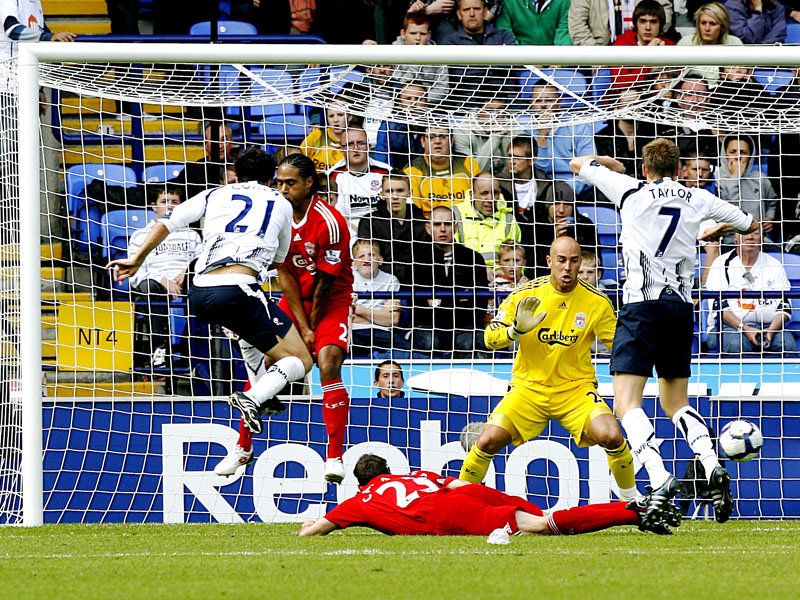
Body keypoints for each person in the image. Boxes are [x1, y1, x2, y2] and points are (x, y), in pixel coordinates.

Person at [570, 138, 759, 525]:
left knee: (626, 404)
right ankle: (709, 463)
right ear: (679, 168)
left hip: (641, 308)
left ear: (645, 168)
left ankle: (658, 476)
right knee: (676, 404)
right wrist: (710, 232)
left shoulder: (628, 189)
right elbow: (750, 222)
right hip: (680, 308)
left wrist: (613, 165)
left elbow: (578, 163)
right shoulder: (697, 197)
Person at [108, 147, 314, 452]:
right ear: (271, 178)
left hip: (199, 291)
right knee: (301, 359)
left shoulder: (213, 194)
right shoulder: (280, 203)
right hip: (237, 287)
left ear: (235, 174)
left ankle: (261, 390)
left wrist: (137, 258)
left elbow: (169, 221)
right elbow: (279, 259)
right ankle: (254, 397)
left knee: (247, 331)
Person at [460, 237, 639, 504]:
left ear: (581, 264)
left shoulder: (596, 302)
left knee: (612, 435)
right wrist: (515, 331)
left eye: (574, 261)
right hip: (528, 390)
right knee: (487, 440)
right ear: (549, 262)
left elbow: (620, 348)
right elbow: (489, 338)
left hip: (575, 391)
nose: (567, 267)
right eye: (561, 260)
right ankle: (457, 502)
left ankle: (632, 500)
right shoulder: (525, 295)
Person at [300, 453, 679, 537]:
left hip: (444, 516)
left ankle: (633, 512)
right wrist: (503, 502)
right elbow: (462, 485)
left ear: (362, 481)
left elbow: (313, 532)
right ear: (387, 470)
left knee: (541, 526)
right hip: (463, 496)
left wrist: (308, 524)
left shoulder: (358, 502)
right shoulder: (417, 474)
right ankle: (633, 511)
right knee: (536, 519)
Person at [273, 153, 355, 483]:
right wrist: (302, 326)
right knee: (268, 355)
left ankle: (334, 456)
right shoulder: (276, 216)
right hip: (294, 297)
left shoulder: (330, 221)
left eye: (289, 183)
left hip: (332, 298)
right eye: (278, 182)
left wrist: (312, 329)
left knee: (328, 360)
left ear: (309, 183)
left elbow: (326, 280)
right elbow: (285, 275)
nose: (282, 189)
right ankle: (242, 445)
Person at [127, 185, 202, 369]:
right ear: (154, 206)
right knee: (147, 285)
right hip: (156, 284)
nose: (170, 206)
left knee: (200, 280)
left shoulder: (191, 235)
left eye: (175, 202)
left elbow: (202, 262)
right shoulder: (140, 236)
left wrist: (187, 270)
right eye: (164, 202)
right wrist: (162, 280)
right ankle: (159, 348)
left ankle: (189, 349)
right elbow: (134, 273)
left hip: (187, 283)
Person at [410, 205, 490, 357]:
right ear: (428, 228)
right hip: (429, 325)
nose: (442, 229)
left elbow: (480, 303)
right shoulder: (417, 259)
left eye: (447, 224)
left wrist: (439, 301)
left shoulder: (473, 258)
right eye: (437, 224)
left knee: (471, 342)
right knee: (429, 342)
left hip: (466, 324)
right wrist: (458, 298)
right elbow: (418, 304)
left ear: (455, 227)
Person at [705, 227, 795, 354]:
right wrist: (746, 329)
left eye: (755, 233)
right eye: (744, 233)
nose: (750, 237)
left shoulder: (775, 265)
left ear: (761, 238)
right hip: (729, 327)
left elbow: (785, 307)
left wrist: (769, 333)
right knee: (738, 345)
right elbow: (719, 309)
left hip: (770, 327)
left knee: (787, 345)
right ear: (735, 238)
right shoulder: (720, 264)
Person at [356, 173, 427, 286]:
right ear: (382, 194)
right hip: (381, 285)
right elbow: (367, 258)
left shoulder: (422, 222)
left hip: (419, 284)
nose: (394, 196)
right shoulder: (369, 221)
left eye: (400, 190)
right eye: (389, 191)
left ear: (410, 193)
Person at [526, 83, 596, 196]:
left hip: (575, 187)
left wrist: (565, 189)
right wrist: (542, 136)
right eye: (538, 101)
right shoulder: (525, 131)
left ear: (559, 103)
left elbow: (589, 167)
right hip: (539, 189)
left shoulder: (578, 128)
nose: (543, 105)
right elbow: (536, 171)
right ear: (531, 105)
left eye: (548, 100)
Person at [444, 0, 517, 107]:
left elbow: (512, 65)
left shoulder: (504, 35)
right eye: (466, 9)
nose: (472, 14)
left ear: (485, 12)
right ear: (459, 14)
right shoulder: (452, 42)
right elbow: (461, 75)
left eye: (477, 9)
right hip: (468, 101)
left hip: (506, 97)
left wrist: (473, 64)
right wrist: (495, 63)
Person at [404, 125, 481, 218]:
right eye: (431, 137)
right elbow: (414, 212)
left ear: (451, 141)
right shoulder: (413, 170)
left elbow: (481, 199)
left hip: (468, 222)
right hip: (431, 227)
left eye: (443, 136)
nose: (437, 141)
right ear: (423, 141)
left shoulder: (468, 162)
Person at [328, 127, 392, 235]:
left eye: (361, 143)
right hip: (347, 235)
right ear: (341, 149)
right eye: (350, 144)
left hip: (384, 234)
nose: (355, 148)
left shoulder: (387, 172)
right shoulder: (332, 176)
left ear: (369, 146)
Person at [716, 134, 778, 244]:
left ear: (750, 155)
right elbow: (730, 211)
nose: (737, 157)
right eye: (733, 152)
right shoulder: (715, 178)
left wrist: (769, 217)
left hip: (759, 240)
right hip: (727, 241)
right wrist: (735, 177)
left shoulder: (760, 178)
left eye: (743, 152)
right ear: (725, 153)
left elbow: (772, 201)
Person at [522, 191, 598, 279]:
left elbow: (596, 263)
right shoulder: (534, 226)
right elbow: (531, 268)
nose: (561, 210)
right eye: (556, 204)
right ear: (548, 206)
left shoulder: (585, 225)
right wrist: (554, 239)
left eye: (567, 204)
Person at [453, 172, 521, 268]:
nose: (491, 199)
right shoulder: (455, 215)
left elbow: (517, 259)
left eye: (495, 193)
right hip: (464, 275)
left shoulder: (508, 219)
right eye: (484, 193)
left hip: (500, 278)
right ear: (472, 194)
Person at [350, 239, 405, 358]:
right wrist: (379, 315)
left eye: (371, 255)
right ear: (354, 262)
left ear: (380, 260)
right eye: (362, 255)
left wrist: (358, 310)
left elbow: (393, 320)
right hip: (353, 331)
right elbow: (345, 318)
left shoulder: (391, 280)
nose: (367, 259)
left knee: (408, 351)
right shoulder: (347, 279)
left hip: (382, 332)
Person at [498, 136, 574, 216]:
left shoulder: (546, 183)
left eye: (517, 158)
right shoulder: (498, 184)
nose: (511, 161)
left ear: (532, 161)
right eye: (510, 156)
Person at [610, 1, 675, 90]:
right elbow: (620, 84)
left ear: (661, 24)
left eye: (653, 22)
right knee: (629, 95)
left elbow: (679, 81)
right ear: (636, 23)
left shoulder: (669, 45)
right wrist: (648, 64)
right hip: (628, 99)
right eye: (643, 21)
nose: (648, 27)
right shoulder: (622, 43)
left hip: (660, 98)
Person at [390, 11, 449, 106]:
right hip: (399, 105)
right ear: (403, 33)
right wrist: (416, 62)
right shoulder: (392, 52)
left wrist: (421, 100)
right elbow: (397, 84)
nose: (418, 38)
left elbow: (443, 87)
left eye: (422, 34)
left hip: (428, 106)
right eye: (413, 33)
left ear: (429, 35)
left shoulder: (437, 54)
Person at [172, 123, 237, 198]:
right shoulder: (192, 171)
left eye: (224, 140)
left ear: (232, 142)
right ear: (205, 144)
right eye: (214, 141)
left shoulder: (241, 167)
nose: (220, 146)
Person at [568, 0, 674, 45]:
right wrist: (596, 56)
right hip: (600, 51)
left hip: (645, 45)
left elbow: (665, 11)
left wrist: (649, 41)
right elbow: (577, 26)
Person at [373, 83, 427, 171]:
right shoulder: (388, 127)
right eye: (408, 99)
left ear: (426, 102)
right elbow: (382, 161)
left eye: (418, 99)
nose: (413, 103)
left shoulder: (433, 126)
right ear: (400, 104)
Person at [0, 0, 76, 59]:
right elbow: (12, 30)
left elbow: (43, 33)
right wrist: (49, 37)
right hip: (9, 71)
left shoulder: (36, 2)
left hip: (30, 67)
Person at [300, 108, 354, 173]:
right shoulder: (316, 135)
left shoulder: (355, 140)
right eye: (331, 116)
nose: (335, 120)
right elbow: (298, 160)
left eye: (340, 115)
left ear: (350, 117)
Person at [496, 0, 571, 45]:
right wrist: (527, 60)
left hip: (555, 60)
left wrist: (560, 61)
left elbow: (564, 31)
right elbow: (505, 34)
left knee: (573, 72)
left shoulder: (564, 1)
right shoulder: (507, 2)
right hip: (521, 63)